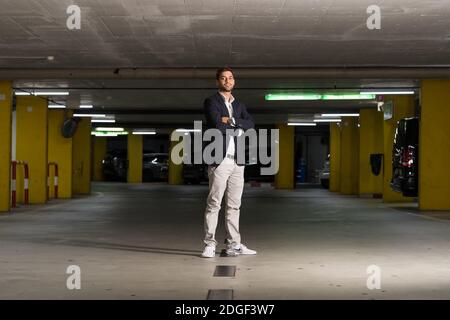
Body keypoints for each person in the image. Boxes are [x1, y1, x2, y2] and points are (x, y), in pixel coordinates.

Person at [201, 67, 257, 258]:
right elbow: (216, 122)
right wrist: (236, 122)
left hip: (238, 161)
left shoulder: (239, 104)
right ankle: (209, 244)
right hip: (219, 160)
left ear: (234, 81)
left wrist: (231, 120)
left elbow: (250, 123)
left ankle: (234, 244)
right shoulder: (211, 101)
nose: (227, 80)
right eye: (223, 78)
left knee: (234, 205)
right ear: (218, 81)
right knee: (214, 203)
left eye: (230, 78)